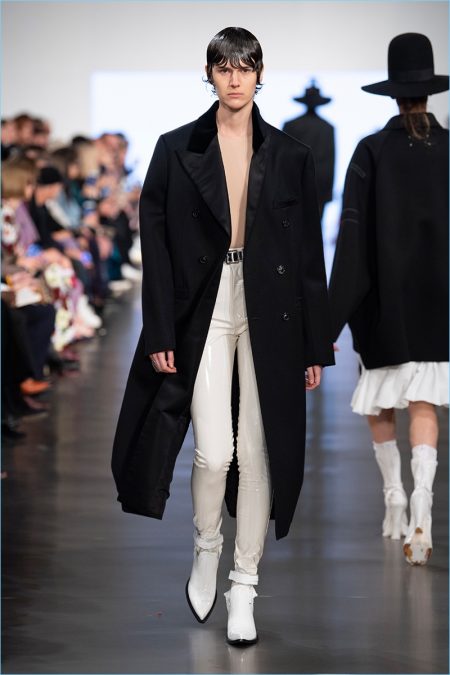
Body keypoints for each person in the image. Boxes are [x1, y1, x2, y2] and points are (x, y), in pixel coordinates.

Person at [112, 26, 334, 645]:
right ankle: (206, 545)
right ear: (209, 74)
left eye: (245, 66)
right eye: (224, 67)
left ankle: (245, 585)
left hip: (271, 309)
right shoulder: (175, 149)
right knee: (215, 452)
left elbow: (308, 255)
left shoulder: (290, 155)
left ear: (261, 74)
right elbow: (156, 247)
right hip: (203, 304)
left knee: (259, 453)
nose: (235, 78)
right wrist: (159, 327)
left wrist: (315, 344)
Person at [328, 33, 448, 566]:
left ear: (393, 94)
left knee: (380, 397)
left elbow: (352, 241)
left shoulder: (371, 151)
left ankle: (394, 495)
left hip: (384, 301)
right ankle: (423, 503)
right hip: (438, 303)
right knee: (423, 403)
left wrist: (329, 322)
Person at [283, 81, 335, 219]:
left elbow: (282, 160)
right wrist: (327, 194)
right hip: (319, 189)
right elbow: (330, 163)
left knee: (293, 225)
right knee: (315, 226)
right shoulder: (328, 128)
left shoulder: (291, 125)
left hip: (293, 187)